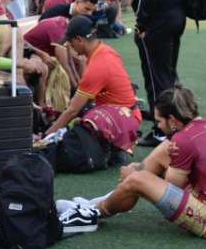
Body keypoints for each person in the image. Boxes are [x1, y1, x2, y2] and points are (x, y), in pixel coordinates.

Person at [96, 86, 206, 240]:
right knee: (163, 150)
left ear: (172, 120)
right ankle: (120, 193)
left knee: (138, 180)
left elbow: (171, 188)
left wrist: (136, 176)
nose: (158, 126)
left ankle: (95, 212)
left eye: (159, 121)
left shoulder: (184, 139)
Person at [37, 16, 142, 156]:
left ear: (79, 40)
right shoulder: (105, 50)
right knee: (82, 115)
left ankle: (110, 150)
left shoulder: (97, 66)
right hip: (129, 116)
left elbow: (72, 111)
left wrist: (46, 136)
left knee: (75, 135)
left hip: (123, 121)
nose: (69, 46)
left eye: (70, 42)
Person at [126, 0, 186, 146]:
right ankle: (173, 119)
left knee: (157, 78)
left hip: (158, 22)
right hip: (175, 17)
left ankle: (163, 131)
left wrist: (141, 23)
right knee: (167, 75)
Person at [24, 0, 99, 89]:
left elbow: (68, 56)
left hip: (47, 49)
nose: (89, 14)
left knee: (81, 59)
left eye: (91, 11)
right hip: (32, 52)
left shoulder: (68, 22)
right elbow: (63, 60)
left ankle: (84, 89)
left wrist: (78, 85)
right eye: (87, 9)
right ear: (77, 2)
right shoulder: (59, 22)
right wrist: (76, 87)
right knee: (75, 61)